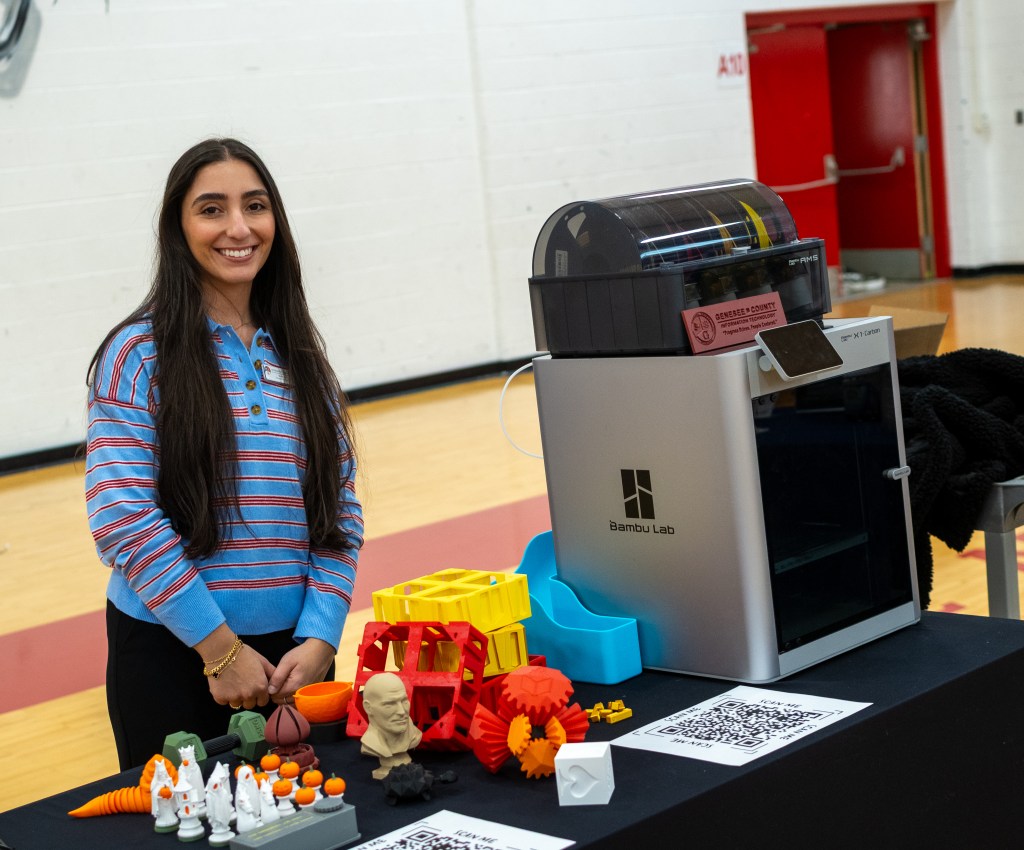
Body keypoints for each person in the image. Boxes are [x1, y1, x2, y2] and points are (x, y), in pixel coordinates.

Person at [85, 138, 363, 770]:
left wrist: (321, 634)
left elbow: (338, 508)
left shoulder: (301, 358)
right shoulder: (136, 354)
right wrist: (219, 650)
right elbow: (123, 517)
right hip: (173, 654)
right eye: (212, 209)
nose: (238, 228)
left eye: (255, 206)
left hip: (295, 661)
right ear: (178, 230)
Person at [360, 672, 422, 779]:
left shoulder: (414, 736)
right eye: (390, 704)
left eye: (404, 701)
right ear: (368, 708)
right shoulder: (370, 744)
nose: (402, 711)